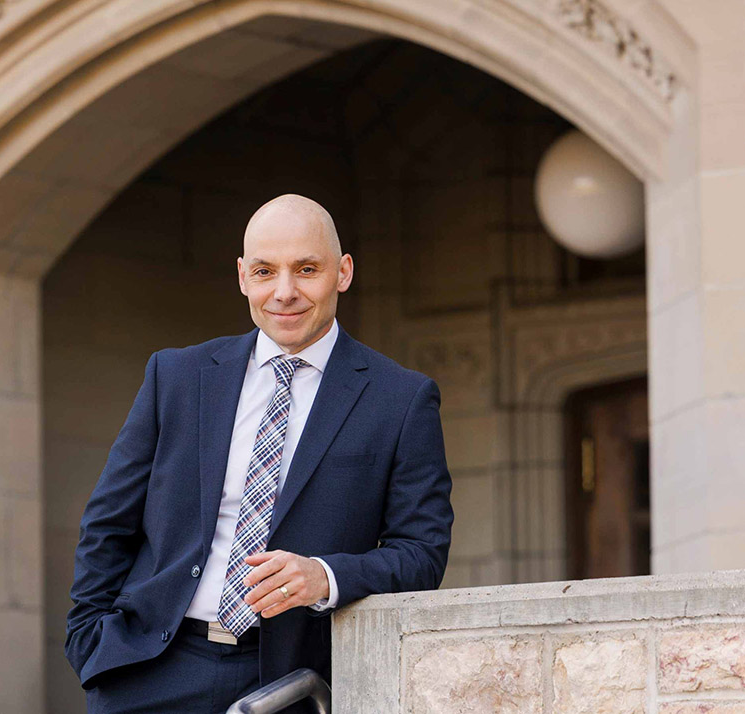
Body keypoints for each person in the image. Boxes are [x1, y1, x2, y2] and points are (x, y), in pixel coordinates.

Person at [65, 194, 454, 713]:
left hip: (288, 682)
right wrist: (90, 642)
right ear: (244, 276)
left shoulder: (401, 399)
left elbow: (422, 553)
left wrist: (326, 576)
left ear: (343, 272)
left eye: (307, 270)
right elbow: (109, 521)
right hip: (148, 672)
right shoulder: (176, 377)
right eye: (266, 271)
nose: (285, 292)